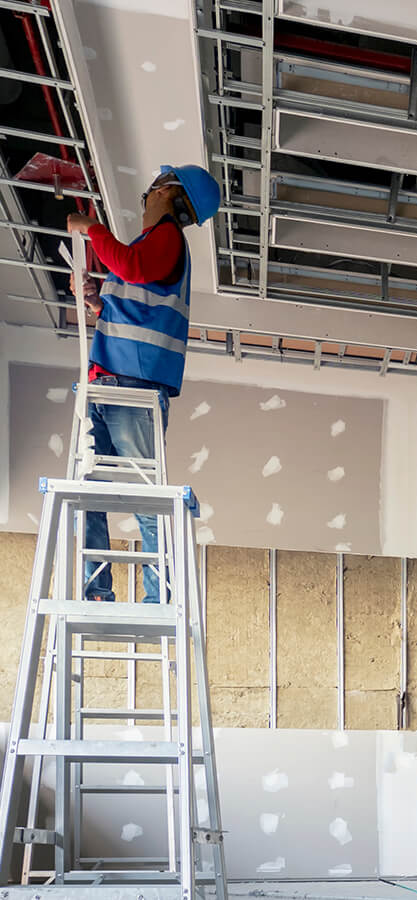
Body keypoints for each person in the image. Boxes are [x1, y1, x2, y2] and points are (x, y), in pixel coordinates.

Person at [67, 164, 221, 602]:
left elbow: (131, 267)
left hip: (132, 387)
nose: (147, 194)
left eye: (154, 186)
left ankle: (159, 599)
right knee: (90, 494)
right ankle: (97, 592)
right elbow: (135, 307)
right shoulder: (154, 243)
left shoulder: (167, 237)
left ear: (167, 192)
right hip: (112, 382)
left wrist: (92, 228)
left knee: (144, 500)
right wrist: (97, 302)